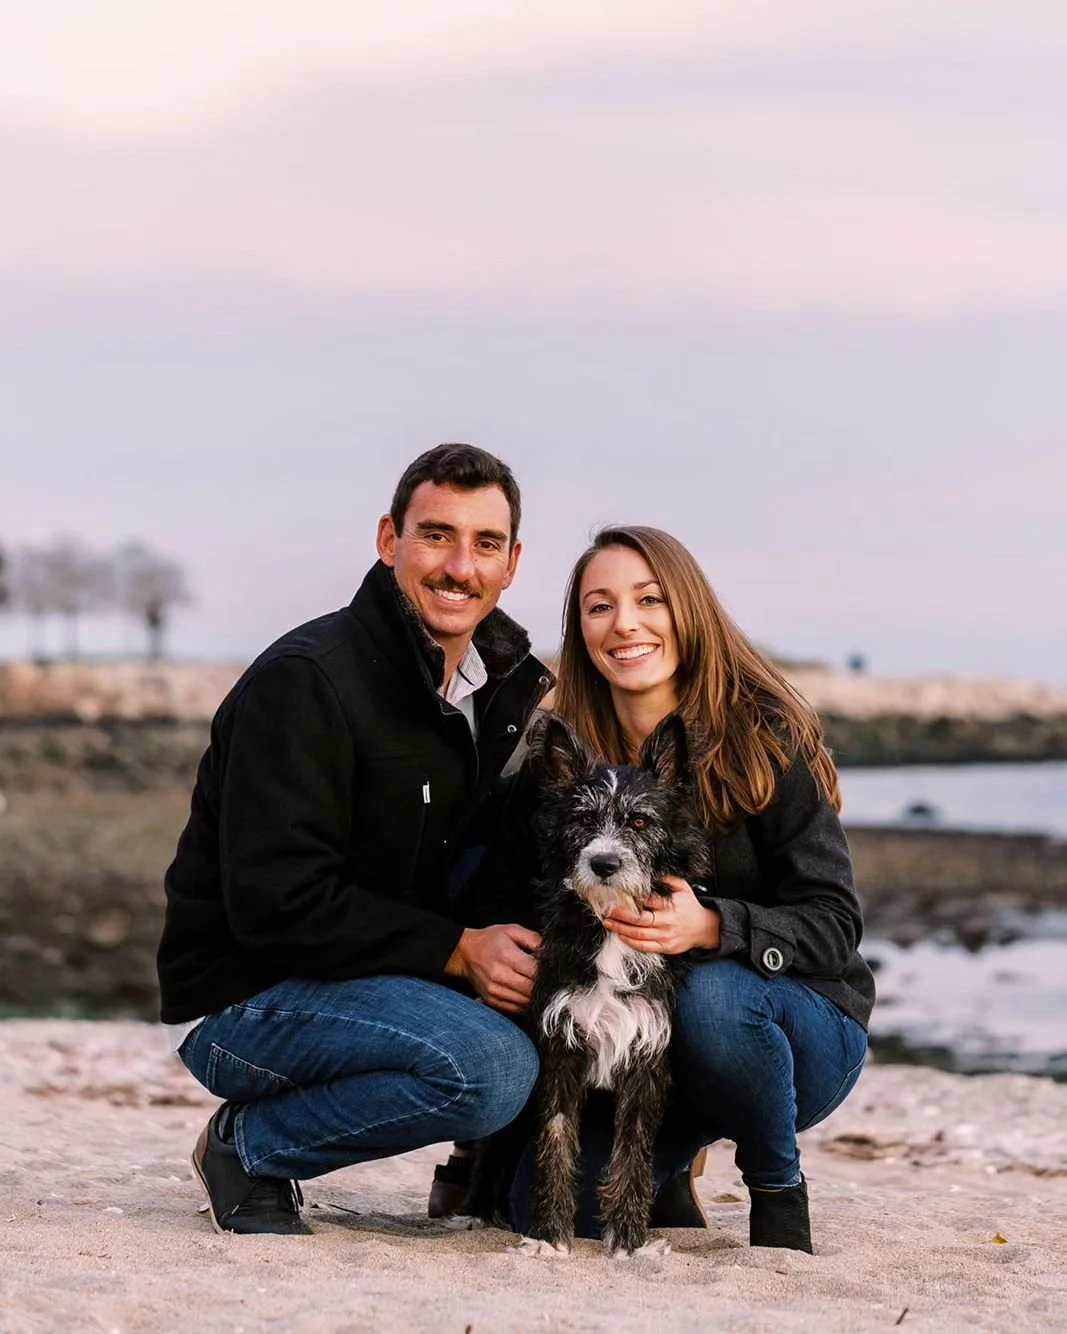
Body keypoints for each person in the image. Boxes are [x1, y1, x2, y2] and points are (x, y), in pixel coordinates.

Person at [158, 443, 553, 1235]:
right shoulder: (308, 680)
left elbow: (471, 863)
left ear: (511, 565)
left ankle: (485, 1171)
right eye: (436, 535)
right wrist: (457, 950)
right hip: (244, 997)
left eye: (484, 545)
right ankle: (250, 1145)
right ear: (388, 540)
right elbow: (276, 902)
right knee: (488, 1068)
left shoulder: (492, 688)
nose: (458, 567)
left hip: (364, 976)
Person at [470, 525, 874, 1252]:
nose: (624, 623)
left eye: (647, 599)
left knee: (711, 998)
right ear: (581, 628)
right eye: (598, 606)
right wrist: (487, 947)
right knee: (543, 1214)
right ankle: (671, 1162)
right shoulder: (560, 764)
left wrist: (713, 926)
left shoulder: (762, 743)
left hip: (788, 1035)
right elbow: (504, 898)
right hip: (631, 1050)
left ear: (686, 609)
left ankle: (777, 1190)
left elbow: (834, 920)